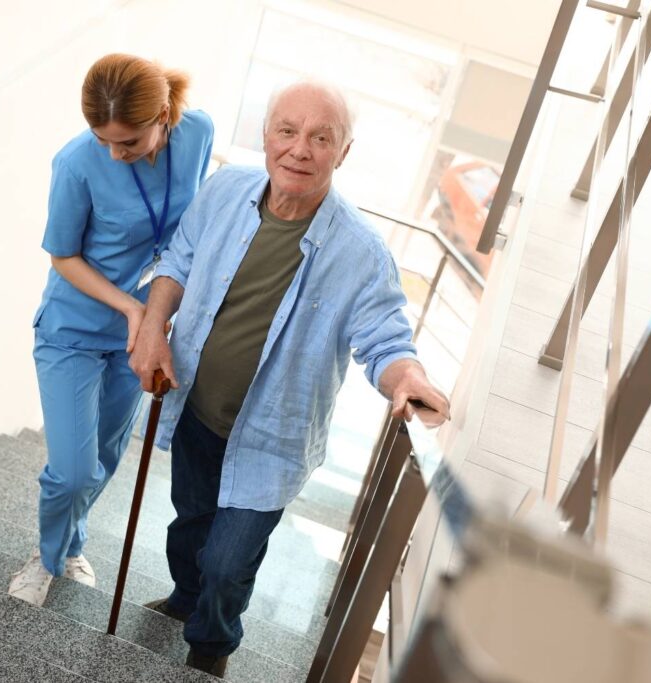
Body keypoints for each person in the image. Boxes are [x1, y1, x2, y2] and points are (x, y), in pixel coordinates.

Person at [129, 81, 449, 677]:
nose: (300, 150)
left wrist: (407, 378)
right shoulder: (225, 191)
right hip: (196, 405)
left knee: (228, 561)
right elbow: (179, 260)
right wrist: (153, 325)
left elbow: (385, 337)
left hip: (271, 440)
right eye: (287, 131)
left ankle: (210, 646)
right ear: (266, 135)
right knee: (190, 523)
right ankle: (182, 597)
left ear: (342, 152)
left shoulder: (361, 252)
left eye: (320, 138)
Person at [8, 54, 214, 607]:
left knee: (103, 460)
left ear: (165, 114)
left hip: (142, 335)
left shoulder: (197, 133)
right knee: (72, 471)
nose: (114, 153)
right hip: (75, 328)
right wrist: (132, 308)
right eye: (103, 139)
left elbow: (186, 230)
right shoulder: (76, 162)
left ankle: (68, 542)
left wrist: (161, 312)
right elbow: (64, 257)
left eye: (127, 142)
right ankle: (47, 557)